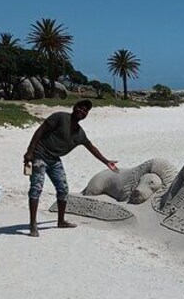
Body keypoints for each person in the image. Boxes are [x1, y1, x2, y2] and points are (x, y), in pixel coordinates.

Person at [23, 99, 118, 237]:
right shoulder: (60, 117)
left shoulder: (80, 133)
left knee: (63, 189)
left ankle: (61, 221)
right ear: (75, 107)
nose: (82, 111)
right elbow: (40, 130)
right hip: (40, 155)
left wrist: (106, 161)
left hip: (54, 160)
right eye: (80, 107)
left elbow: (91, 147)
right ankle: (33, 225)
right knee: (36, 188)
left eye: (85, 110)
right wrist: (30, 151)